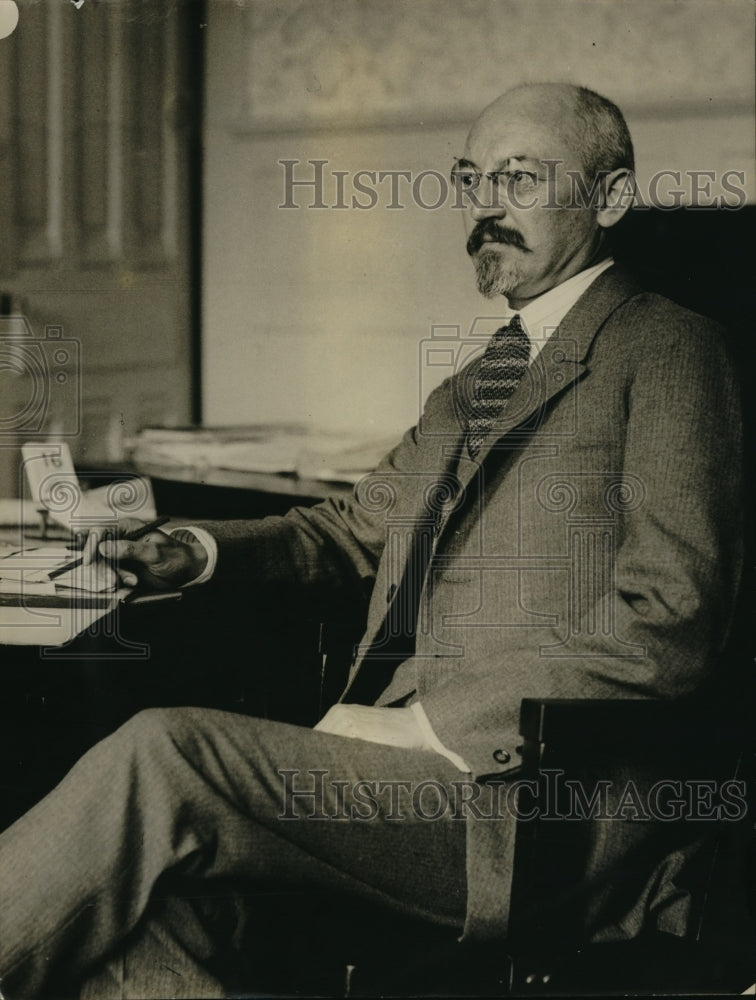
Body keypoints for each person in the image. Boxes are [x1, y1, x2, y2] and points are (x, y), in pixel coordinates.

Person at [0, 82, 744, 999]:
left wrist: (430, 724)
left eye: (519, 178)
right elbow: (351, 527)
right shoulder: (478, 381)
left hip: (531, 810)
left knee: (166, 754)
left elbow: (669, 619)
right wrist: (191, 550)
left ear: (612, 198)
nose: (485, 208)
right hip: (394, 775)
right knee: (148, 911)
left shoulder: (671, 348)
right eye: (472, 180)